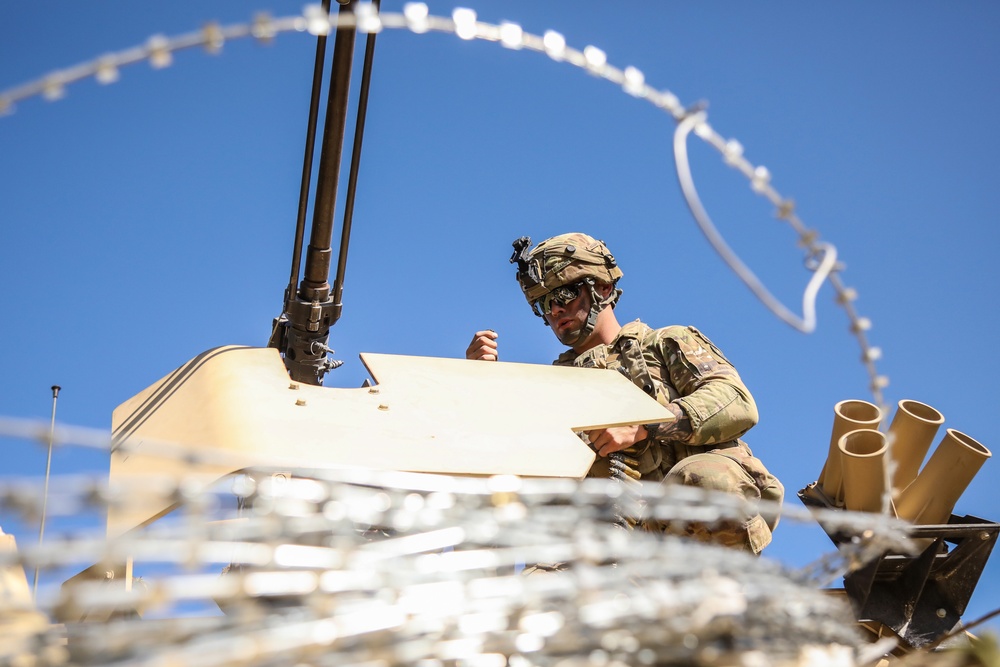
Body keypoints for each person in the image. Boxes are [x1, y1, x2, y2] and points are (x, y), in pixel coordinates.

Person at [465, 233, 783, 553]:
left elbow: (736, 401)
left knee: (707, 478)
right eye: (543, 303)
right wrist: (484, 386)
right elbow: (517, 462)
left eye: (564, 294)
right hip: (610, 549)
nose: (555, 310)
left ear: (602, 288)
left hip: (687, 535)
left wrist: (645, 426)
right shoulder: (554, 387)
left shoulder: (662, 344)